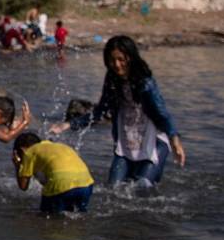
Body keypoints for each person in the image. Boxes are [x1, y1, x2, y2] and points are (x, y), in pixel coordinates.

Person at [50, 34, 186, 187]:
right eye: (112, 60)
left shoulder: (145, 83)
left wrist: (174, 140)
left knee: (143, 188)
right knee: (113, 189)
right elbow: (100, 111)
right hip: (125, 146)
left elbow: (162, 113)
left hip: (154, 144)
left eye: (121, 59)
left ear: (131, 57)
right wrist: (68, 124)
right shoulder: (112, 80)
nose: (117, 64)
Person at [12, 132, 95, 213]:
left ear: (22, 150)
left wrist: (17, 166)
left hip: (61, 183)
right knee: (78, 217)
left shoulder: (29, 152)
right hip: (86, 184)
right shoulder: (60, 146)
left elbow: (23, 186)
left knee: (46, 217)